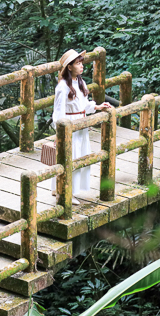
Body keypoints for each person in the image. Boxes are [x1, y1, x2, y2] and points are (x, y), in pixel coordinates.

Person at [51, 49, 113, 205]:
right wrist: (60, 132)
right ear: (69, 67)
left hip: (81, 124)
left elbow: (84, 105)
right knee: (69, 157)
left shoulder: (81, 82)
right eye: (77, 63)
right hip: (69, 126)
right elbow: (58, 113)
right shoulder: (62, 87)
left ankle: (59, 187)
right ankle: (66, 191)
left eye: (81, 63)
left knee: (78, 155)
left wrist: (98, 107)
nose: (81, 66)